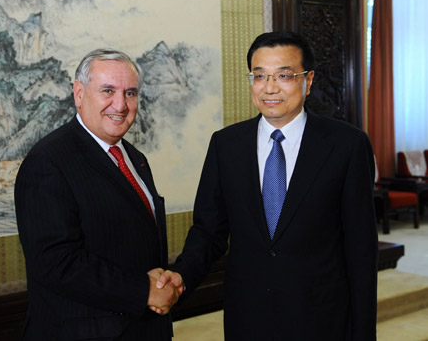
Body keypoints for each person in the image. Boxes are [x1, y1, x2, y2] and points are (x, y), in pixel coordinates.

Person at [157, 31, 378, 340]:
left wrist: (363, 332)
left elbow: (361, 250)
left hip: (322, 318)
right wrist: (181, 275)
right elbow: (209, 230)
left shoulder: (347, 145)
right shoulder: (226, 145)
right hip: (248, 316)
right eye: (259, 76)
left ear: (308, 80)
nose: (270, 88)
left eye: (284, 75)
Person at [14, 49, 182, 340]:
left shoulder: (133, 157)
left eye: (130, 93)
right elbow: (56, 263)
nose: (121, 104)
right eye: (108, 91)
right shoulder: (48, 161)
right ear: (79, 93)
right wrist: (144, 292)